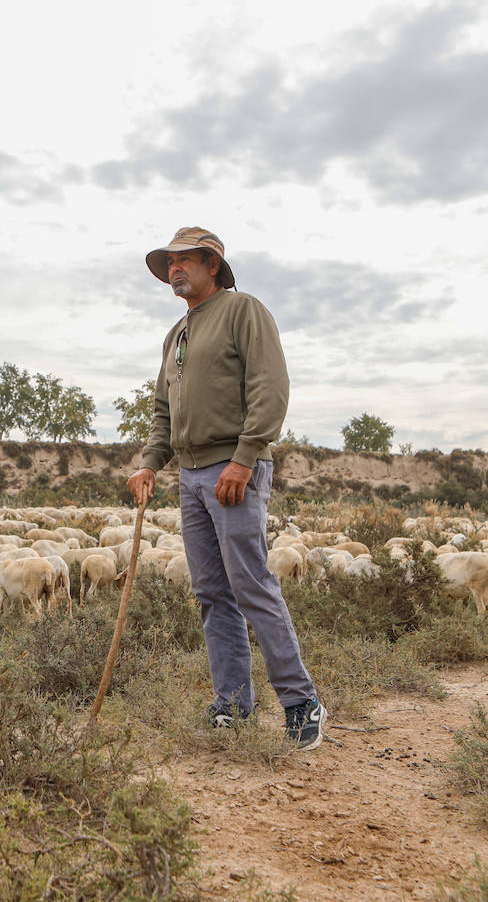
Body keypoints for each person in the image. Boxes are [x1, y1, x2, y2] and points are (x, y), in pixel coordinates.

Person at [127, 226, 326, 750]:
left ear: (211, 264)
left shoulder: (244, 311)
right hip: (189, 477)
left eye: (184, 260)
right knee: (212, 593)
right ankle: (233, 706)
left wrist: (244, 458)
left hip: (232, 471)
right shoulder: (176, 335)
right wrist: (150, 463)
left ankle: (301, 702)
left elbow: (270, 387)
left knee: (251, 584)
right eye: (169, 262)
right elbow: (162, 412)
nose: (174, 269)